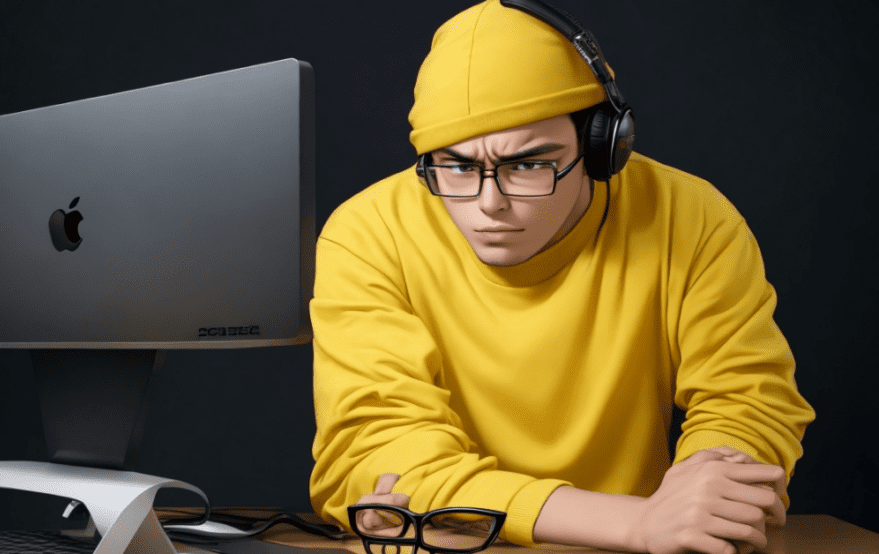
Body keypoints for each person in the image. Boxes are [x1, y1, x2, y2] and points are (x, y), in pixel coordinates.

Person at [308, 1, 815, 552]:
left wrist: (709, 497)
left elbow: (749, 404)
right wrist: (637, 524)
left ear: (603, 147)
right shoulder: (365, 232)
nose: (488, 205)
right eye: (456, 166)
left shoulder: (692, 217)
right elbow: (379, 450)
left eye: (528, 164)